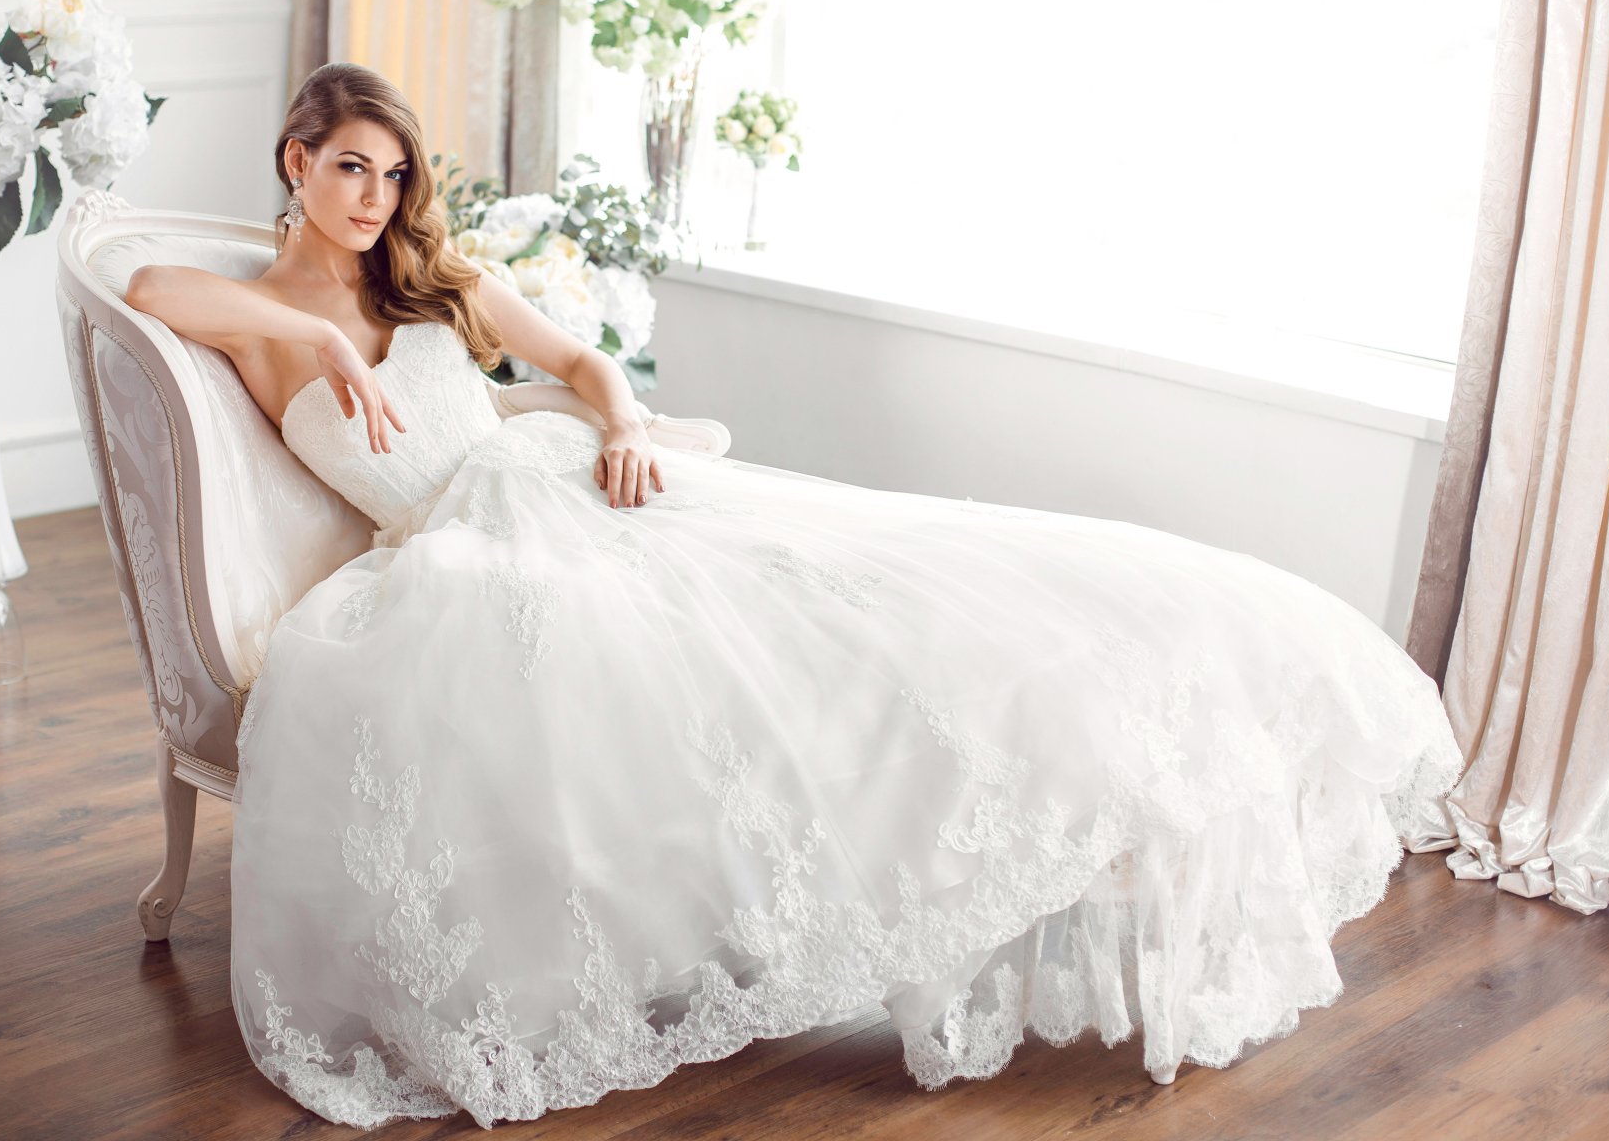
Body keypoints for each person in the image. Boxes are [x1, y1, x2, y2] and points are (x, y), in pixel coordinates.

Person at [123, 62, 1462, 1131]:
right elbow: (138, 285)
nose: (373, 192)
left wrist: (626, 422)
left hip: (564, 485)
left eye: (394, 169)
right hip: (460, 547)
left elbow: (580, 363)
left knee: (856, 599)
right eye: (349, 166)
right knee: (652, 685)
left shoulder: (439, 283)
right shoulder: (251, 312)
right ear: (297, 163)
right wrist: (303, 328)